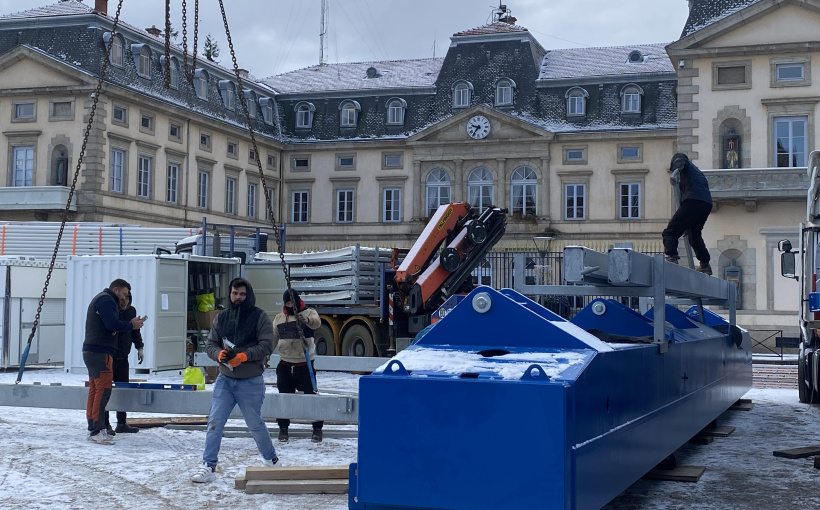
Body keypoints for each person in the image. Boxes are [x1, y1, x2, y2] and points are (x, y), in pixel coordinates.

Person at [191, 278, 278, 484]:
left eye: (242, 294)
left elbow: (267, 345)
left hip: (250, 380)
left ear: (248, 295)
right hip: (225, 380)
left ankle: (271, 460)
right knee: (214, 421)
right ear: (229, 294)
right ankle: (209, 465)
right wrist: (218, 354)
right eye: (234, 293)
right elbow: (210, 343)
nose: (238, 297)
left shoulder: (260, 317)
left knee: (255, 423)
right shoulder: (222, 318)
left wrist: (244, 356)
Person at [83, 279, 144, 445]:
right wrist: (131, 325)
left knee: (96, 390)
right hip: (100, 352)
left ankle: (94, 428)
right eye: (123, 294)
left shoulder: (103, 299)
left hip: (94, 351)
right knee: (102, 391)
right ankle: (97, 429)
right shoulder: (106, 300)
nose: (124, 298)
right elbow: (112, 324)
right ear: (115, 290)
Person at [272, 289, 323, 443]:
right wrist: (266, 355)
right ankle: (283, 428)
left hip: (305, 365)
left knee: (311, 397)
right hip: (285, 364)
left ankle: (317, 429)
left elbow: (317, 323)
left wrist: (306, 321)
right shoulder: (279, 319)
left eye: (292, 302)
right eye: (287, 302)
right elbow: (273, 339)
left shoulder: (309, 313)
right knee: (284, 397)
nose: (290, 305)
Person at [662, 152, 713, 275]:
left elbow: (681, 160)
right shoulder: (696, 172)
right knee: (694, 235)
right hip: (706, 204)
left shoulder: (684, 163)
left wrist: (676, 170)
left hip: (693, 201)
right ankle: (705, 264)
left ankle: (672, 259)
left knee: (670, 232)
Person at [106, 291, 145, 434]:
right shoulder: (111, 312)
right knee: (106, 391)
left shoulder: (131, 311)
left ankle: (121, 423)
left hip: (123, 357)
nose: (125, 301)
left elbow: (135, 332)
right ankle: (105, 424)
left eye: (127, 298)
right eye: (122, 299)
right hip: (110, 357)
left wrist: (140, 347)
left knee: (123, 391)